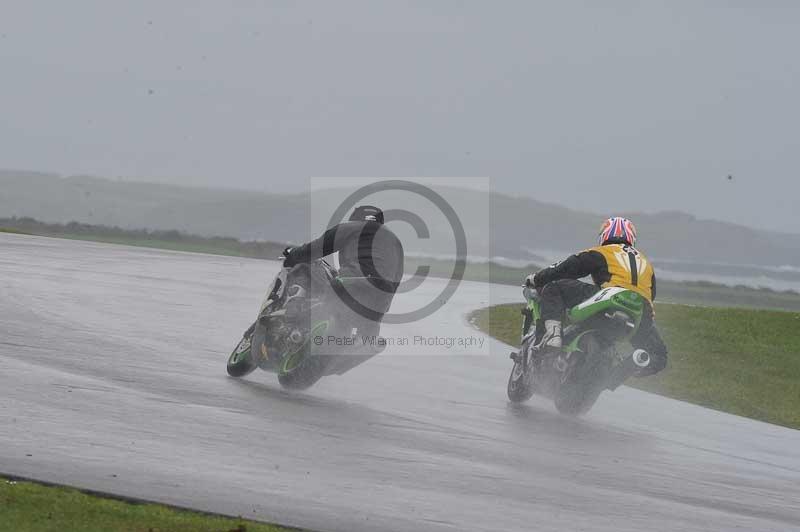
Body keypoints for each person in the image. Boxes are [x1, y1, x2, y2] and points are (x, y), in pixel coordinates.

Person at [525, 216, 667, 376]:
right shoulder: (646, 263)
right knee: (659, 355)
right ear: (631, 238)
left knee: (553, 287)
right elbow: (651, 295)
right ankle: (622, 372)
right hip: (641, 312)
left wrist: (537, 278)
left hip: (610, 299)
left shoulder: (603, 252)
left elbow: (565, 268)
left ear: (604, 235)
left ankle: (552, 337)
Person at [282, 205, 404, 340]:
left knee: (304, 267)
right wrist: (383, 308)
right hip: (380, 301)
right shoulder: (395, 242)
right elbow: (397, 278)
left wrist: (293, 254)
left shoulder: (351, 228)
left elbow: (313, 250)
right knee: (365, 338)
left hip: (351, 286)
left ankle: (293, 318)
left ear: (355, 219)